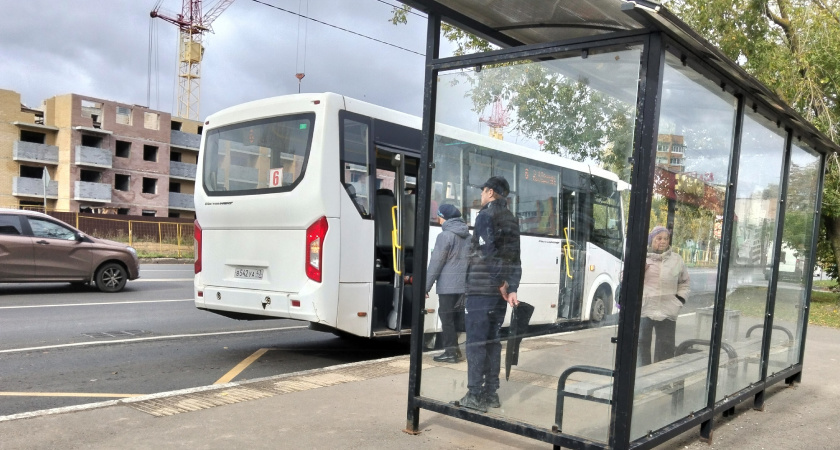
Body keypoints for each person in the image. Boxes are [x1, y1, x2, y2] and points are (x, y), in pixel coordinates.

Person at [454, 176, 521, 413]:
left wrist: (501, 283)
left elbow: (487, 251)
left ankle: (474, 395)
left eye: (483, 191)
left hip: (482, 291)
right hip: (499, 297)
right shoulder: (512, 220)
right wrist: (512, 288)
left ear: (491, 192)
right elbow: (515, 258)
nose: (481, 195)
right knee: (493, 343)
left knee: (476, 344)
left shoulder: (485, 216)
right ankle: (491, 394)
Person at [638, 226, 691, 366]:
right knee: (641, 346)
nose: (663, 241)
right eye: (659, 238)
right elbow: (624, 279)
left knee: (665, 349)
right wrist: (639, 271)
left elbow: (684, 282)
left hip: (668, 310)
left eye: (666, 238)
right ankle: (642, 379)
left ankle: (661, 379)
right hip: (644, 309)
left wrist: (679, 300)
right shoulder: (641, 257)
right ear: (651, 240)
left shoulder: (676, 260)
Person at [425, 203, 470, 363]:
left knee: (447, 320)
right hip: (462, 285)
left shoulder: (445, 236)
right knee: (455, 319)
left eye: (439, 217)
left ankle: (451, 353)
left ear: (445, 218)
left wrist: (426, 286)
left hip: (447, 286)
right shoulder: (467, 236)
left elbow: (436, 263)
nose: (438, 220)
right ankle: (455, 351)